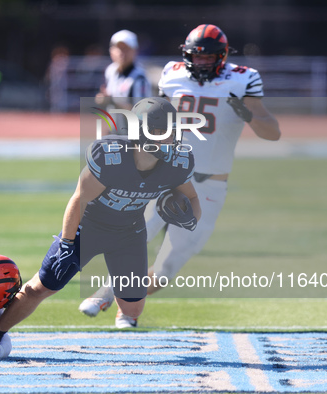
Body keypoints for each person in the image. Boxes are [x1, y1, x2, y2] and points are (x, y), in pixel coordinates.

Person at [79, 24, 281, 327]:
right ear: (187, 56)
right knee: (132, 237)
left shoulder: (243, 79)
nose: (200, 62)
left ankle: (126, 306)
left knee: (165, 269)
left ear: (222, 56)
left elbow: (273, 133)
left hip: (211, 185)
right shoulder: (172, 74)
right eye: (195, 56)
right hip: (166, 174)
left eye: (207, 57)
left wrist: (248, 115)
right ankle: (108, 294)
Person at [0, 97, 200, 344]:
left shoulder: (177, 164)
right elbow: (78, 200)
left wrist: (190, 219)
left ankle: (108, 293)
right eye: (158, 131)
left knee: (133, 309)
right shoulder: (111, 157)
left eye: (170, 132)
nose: (167, 138)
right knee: (40, 287)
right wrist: (66, 243)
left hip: (129, 232)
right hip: (88, 228)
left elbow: (192, 198)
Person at [96, 29, 151, 134]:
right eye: (119, 48)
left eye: (126, 49)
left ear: (135, 51)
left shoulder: (139, 78)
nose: (122, 53)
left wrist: (112, 101)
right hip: (115, 133)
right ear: (111, 50)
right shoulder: (111, 71)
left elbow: (141, 115)